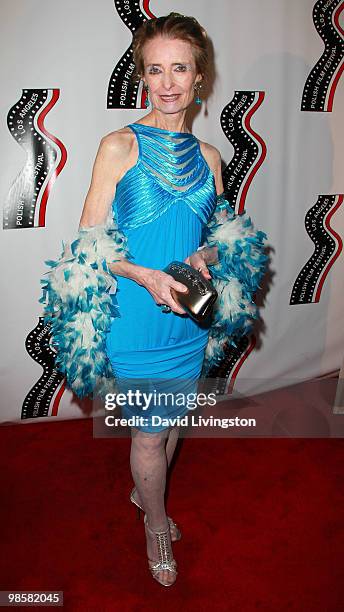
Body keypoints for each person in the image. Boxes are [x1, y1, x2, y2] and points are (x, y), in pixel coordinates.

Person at [40, 13, 268, 587]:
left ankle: (147, 497)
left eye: (181, 68)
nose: (168, 82)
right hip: (135, 318)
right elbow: (89, 250)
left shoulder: (212, 158)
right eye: (156, 69)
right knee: (149, 430)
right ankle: (157, 521)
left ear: (199, 78)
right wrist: (144, 275)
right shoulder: (119, 145)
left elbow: (221, 242)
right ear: (143, 76)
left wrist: (201, 260)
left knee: (170, 426)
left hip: (187, 321)